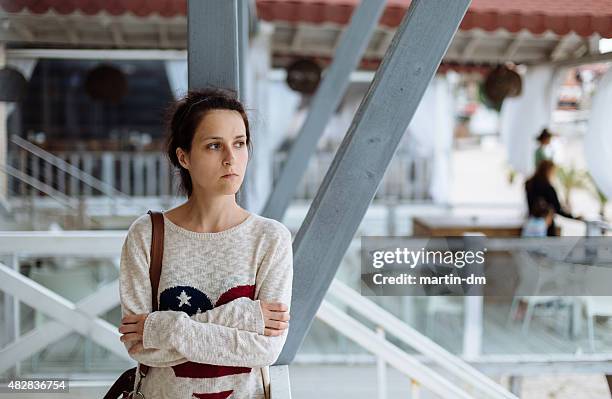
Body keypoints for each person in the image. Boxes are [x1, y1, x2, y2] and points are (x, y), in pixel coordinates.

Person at [118, 88, 293, 398]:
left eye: (239, 144)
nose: (231, 158)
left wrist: (162, 328)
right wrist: (246, 317)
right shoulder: (146, 234)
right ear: (184, 156)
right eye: (214, 146)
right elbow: (140, 347)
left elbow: (266, 350)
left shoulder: (270, 238)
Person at [525, 160, 581, 236]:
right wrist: (573, 217)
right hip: (547, 224)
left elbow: (530, 205)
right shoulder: (548, 188)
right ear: (548, 171)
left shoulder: (529, 184)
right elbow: (557, 208)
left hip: (531, 223)